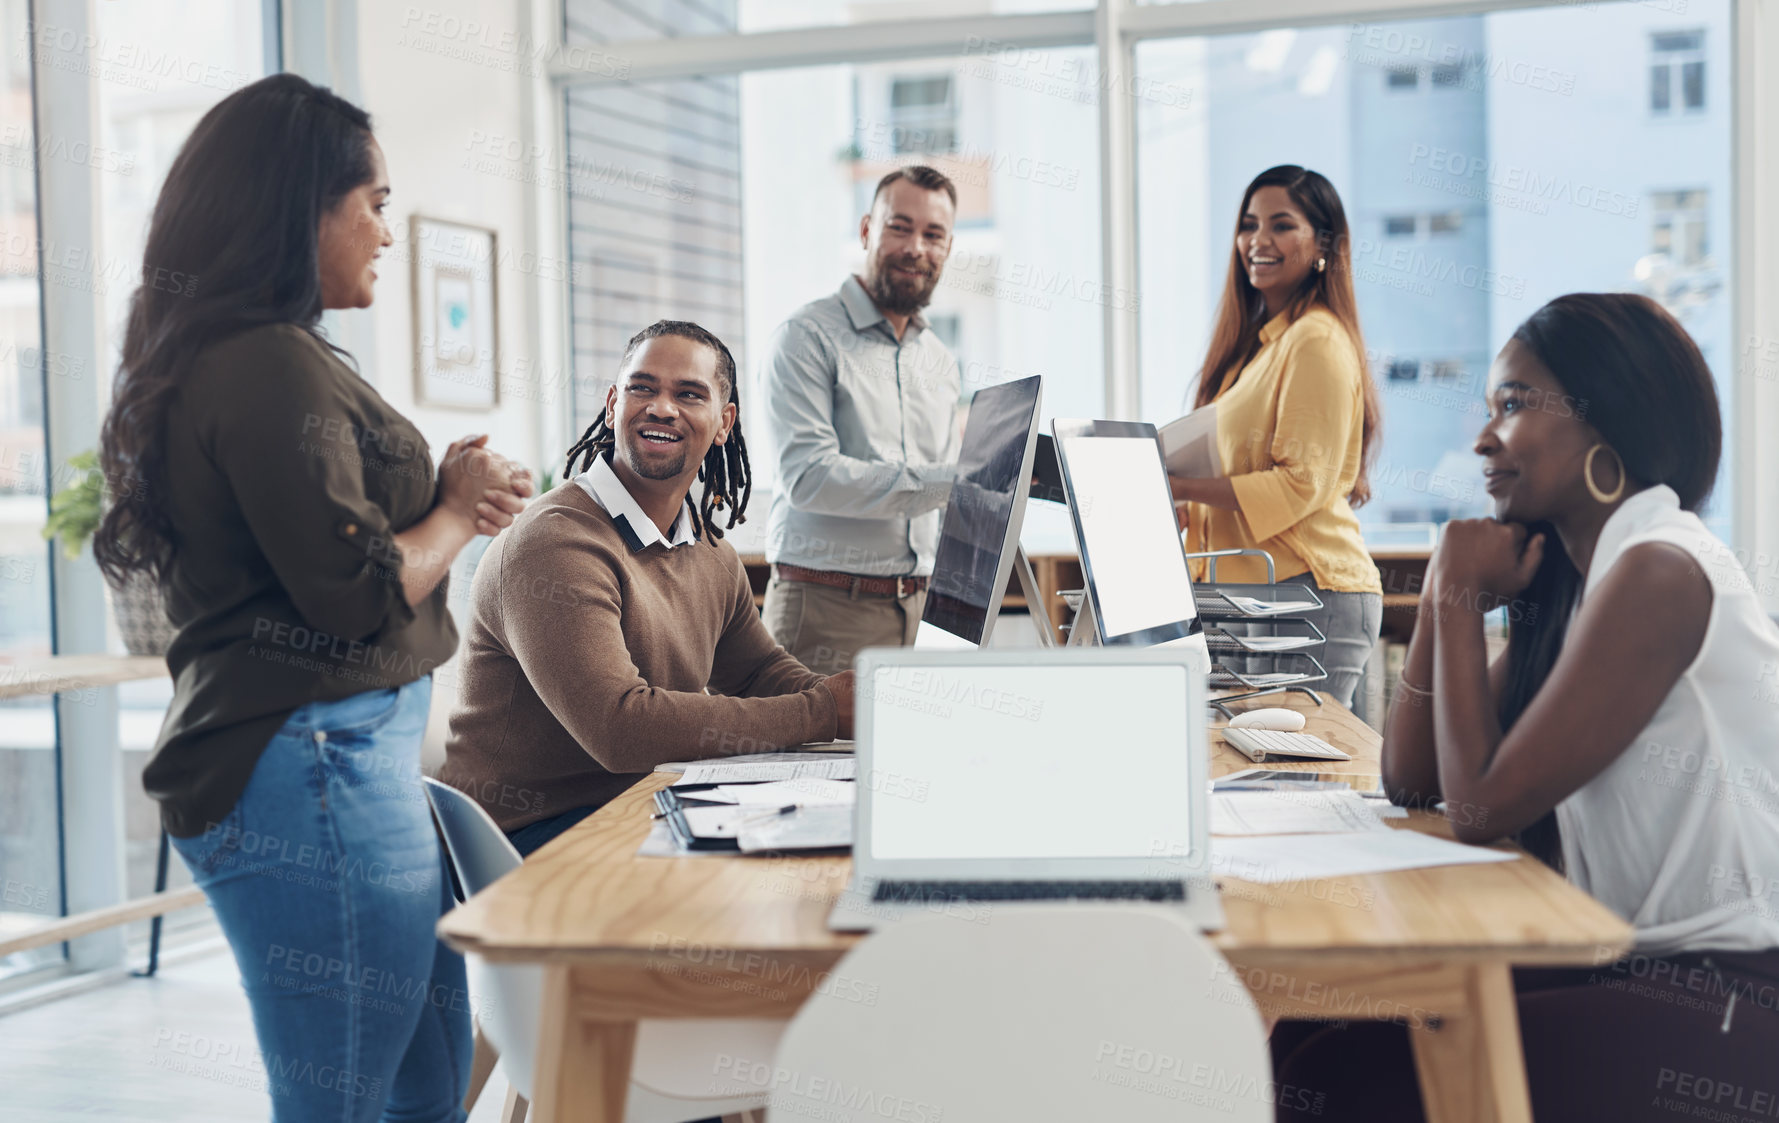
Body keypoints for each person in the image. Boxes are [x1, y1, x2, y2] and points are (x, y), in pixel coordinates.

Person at [94, 74, 532, 1122]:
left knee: (422, 1083)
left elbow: (314, 540)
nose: (387, 227)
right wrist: (459, 509)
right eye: (374, 201)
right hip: (314, 771)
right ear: (301, 208)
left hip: (347, 764)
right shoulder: (261, 365)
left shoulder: (267, 355)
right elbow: (352, 592)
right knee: (344, 1096)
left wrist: (438, 491)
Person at [1273, 293, 1779, 1121]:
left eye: (1511, 405)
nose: (1482, 438)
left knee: (1338, 1077)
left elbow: (1477, 806)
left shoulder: (1660, 572)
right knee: (1313, 1020)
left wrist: (1462, 598)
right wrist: (1446, 577)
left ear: (1603, 424)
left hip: (1727, 991)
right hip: (1628, 961)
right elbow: (1411, 778)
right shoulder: (1589, 583)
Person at [441, 320, 855, 858]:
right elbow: (621, 729)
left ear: (724, 422)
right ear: (613, 404)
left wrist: (861, 706)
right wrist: (822, 711)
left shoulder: (710, 551)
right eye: (643, 387)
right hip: (529, 836)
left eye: (688, 394)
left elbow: (758, 673)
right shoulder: (555, 542)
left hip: (640, 803)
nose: (662, 407)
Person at [1171, 165, 1383, 713]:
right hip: (1253, 595)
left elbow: (1299, 483)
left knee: (1292, 787)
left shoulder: (1315, 339)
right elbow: (1240, 471)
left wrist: (1180, 484)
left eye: (1281, 225)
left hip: (1305, 593)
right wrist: (1185, 503)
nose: (1257, 241)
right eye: (1248, 224)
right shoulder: (1261, 347)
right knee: (1252, 784)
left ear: (1323, 244)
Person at [760, 165, 963, 674]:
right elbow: (808, 478)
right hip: (826, 611)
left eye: (933, 234)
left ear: (947, 248)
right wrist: (955, 481)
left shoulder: (939, 360)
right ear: (868, 230)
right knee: (813, 757)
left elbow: (938, 499)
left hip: (921, 611)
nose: (916, 246)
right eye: (900, 227)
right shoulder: (806, 336)